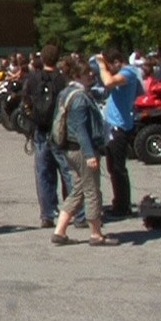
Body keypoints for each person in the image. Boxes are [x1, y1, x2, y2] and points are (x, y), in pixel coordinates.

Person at [50, 57, 116, 246]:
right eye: (87, 72)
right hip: (81, 150)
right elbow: (80, 129)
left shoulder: (66, 93)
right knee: (92, 191)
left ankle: (60, 231)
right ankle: (96, 233)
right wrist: (89, 154)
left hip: (70, 150)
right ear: (77, 75)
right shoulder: (79, 97)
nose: (91, 74)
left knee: (78, 190)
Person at [25, 44, 78, 229]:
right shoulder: (62, 80)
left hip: (40, 130)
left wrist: (30, 124)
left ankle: (47, 214)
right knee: (68, 172)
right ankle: (75, 212)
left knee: (43, 174)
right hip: (60, 131)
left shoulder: (33, 78)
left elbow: (25, 102)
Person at [96, 48, 141, 218]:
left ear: (117, 62)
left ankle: (123, 206)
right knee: (112, 167)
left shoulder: (128, 72)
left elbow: (108, 82)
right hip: (112, 126)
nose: (108, 69)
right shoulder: (123, 73)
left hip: (120, 127)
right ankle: (119, 202)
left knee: (118, 168)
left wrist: (101, 66)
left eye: (109, 66)